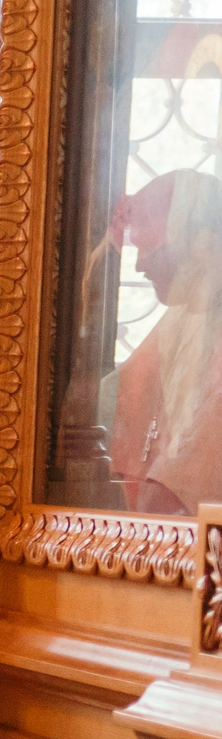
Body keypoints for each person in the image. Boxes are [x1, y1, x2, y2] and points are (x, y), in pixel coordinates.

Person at [109, 169, 222, 514]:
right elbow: (128, 387)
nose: (140, 266)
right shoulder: (186, 312)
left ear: (202, 243)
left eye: (151, 250)